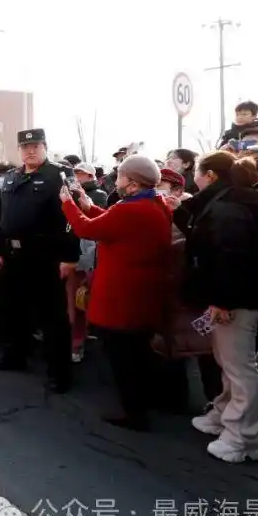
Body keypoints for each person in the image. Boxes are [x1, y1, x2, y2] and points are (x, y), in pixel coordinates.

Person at [59, 155, 172, 430]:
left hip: (122, 297)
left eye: (120, 176)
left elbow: (87, 229)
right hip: (140, 293)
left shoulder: (133, 210)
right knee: (136, 354)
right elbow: (110, 223)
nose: (115, 180)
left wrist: (68, 204)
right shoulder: (152, 204)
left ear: (132, 183)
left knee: (126, 360)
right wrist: (88, 205)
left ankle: (135, 412)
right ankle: (141, 405)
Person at [175, 151, 258, 463]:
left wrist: (222, 301)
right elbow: (203, 237)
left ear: (211, 176)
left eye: (198, 173)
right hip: (235, 296)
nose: (194, 180)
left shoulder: (229, 209)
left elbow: (232, 257)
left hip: (237, 300)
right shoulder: (225, 202)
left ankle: (243, 439)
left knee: (238, 368)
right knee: (227, 362)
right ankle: (222, 415)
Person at [0, 129, 79, 393]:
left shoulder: (58, 175)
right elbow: (3, 218)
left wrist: (69, 256)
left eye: (36, 146)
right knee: (13, 309)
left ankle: (59, 373)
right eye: (25, 147)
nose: (30, 151)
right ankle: (15, 355)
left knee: (52, 318)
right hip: (14, 254)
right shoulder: (12, 177)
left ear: (45, 147)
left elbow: (70, 219)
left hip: (46, 257)